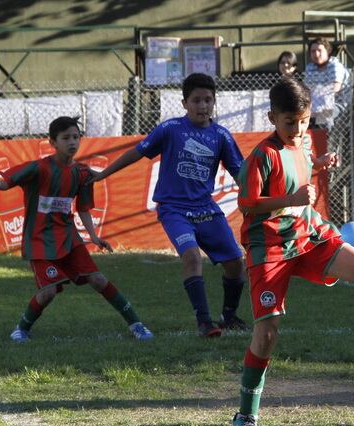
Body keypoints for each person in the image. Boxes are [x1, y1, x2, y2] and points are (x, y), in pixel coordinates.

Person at [229, 77, 354, 426]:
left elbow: (300, 164)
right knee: (267, 334)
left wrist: (319, 163)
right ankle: (245, 417)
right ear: (273, 117)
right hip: (268, 247)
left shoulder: (301, 141)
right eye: (290, 122)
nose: (298, 128)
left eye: (303, 120)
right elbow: (247, 204)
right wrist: (291, 199)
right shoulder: (260, 157)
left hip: (307, 234)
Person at [89, 73, 248, 338]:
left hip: (206, 209)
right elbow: (136, 152)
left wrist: (262, 195)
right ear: (184, 103)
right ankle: (204, 322)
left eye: (208, 100)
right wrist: (103, 174)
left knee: (235, 263)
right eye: (196, 100)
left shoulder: (221, 135)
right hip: (174, 209)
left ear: (214, 102)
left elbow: (240, 173)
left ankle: (228, 316)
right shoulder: (170, 129)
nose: (203, 106)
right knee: (191, 256)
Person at [0, 116, 153, 343]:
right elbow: (9, 179)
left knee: (98, 280)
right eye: (66, 138)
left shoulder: (82, 174)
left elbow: (83, 208)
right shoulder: (40, 168)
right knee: (48, 292)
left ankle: (137, 325)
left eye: (76, 137)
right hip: (39, 240)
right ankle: (21, 329)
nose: (72, 142)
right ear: (53, 142)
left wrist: (93, 237)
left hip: (69, 238)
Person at [304, 37, 351, 129]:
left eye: (319, 50)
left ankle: (328, 143)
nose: (316, 54)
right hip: (317, 104)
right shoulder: (310, 68)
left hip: (340, 104)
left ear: (327, 52)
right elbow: (308, 90)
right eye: (313, 51)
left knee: (323, 117)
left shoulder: (335, 65)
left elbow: (335, 88)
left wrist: (316, 97)